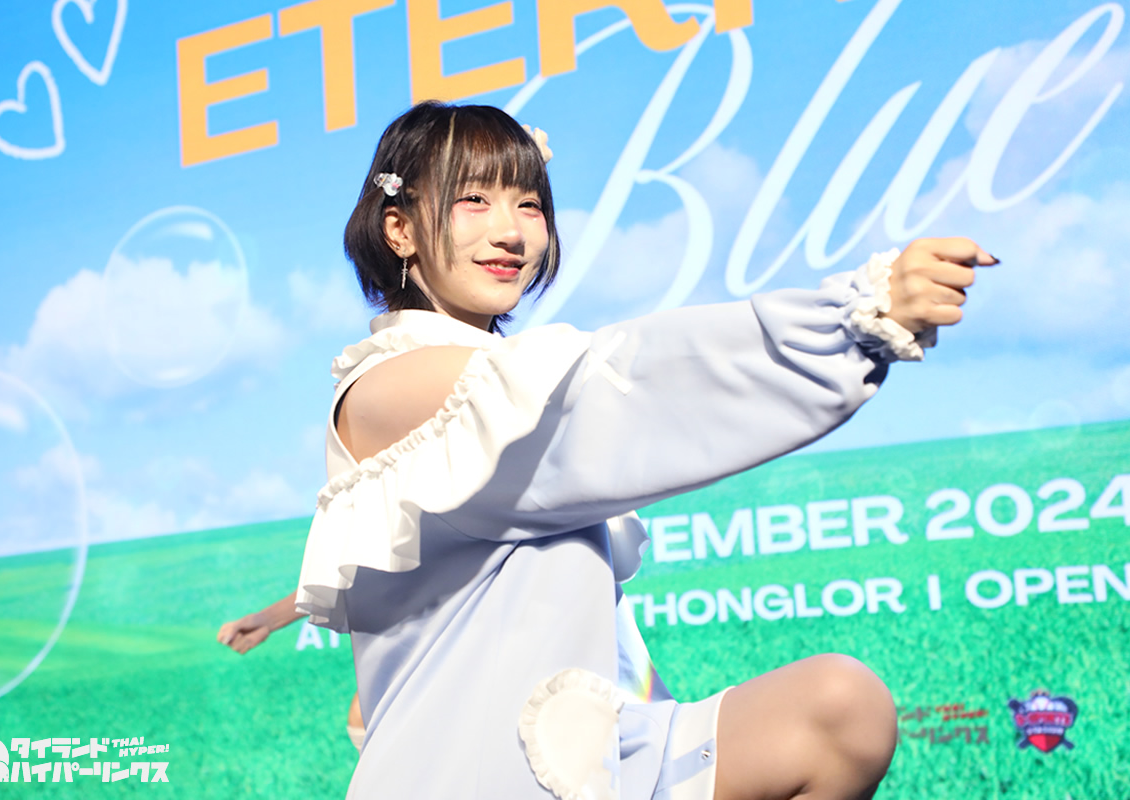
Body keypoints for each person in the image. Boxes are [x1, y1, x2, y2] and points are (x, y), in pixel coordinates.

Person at [245, 101, 996, 800]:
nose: (512, 232)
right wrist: (852, 321)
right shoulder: (391, 386)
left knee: (841, 709)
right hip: (468, 773)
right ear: (399, 229)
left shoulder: (497, 381)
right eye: (474, 200)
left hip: (588, 749)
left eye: (530, 204)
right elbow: (620, 389)